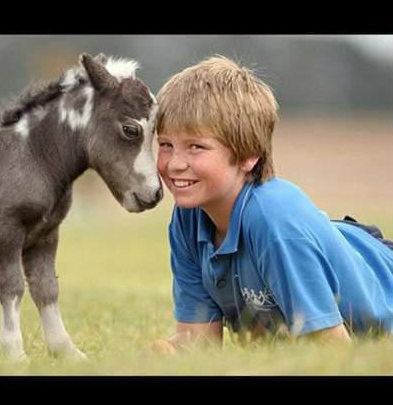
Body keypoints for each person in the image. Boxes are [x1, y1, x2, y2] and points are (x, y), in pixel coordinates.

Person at [146, 55, 393, 353]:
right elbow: (200, 345)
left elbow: (334, 353)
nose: (174, 163)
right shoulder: (188, 218)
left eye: (196, 147)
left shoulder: (274, 221)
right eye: (165, 144)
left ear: (249, 155)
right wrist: (162, 355)